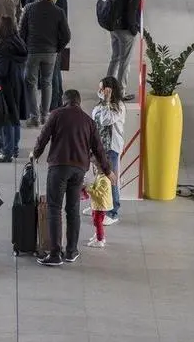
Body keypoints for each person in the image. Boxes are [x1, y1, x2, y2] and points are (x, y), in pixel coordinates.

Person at [31, 89, 114, 266]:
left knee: (54, 209)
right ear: (79, 101)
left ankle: (55, 254)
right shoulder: (88, 121)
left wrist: (35, 154)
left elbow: (43, 137)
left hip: (58, 167)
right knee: (72, 210)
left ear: (64, 101)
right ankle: (71, 251)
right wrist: (108, 171)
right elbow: (99, 149)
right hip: (78, 170)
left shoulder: (56, 115)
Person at [19, 0, 71, 127]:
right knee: (47, 82)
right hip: (50, 53)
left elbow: (21, 31)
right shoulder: (58, 11)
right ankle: (45, 116)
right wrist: (57, 48)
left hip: (32, 52)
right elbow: (66, 35)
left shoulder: (29, 9)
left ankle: (34, 116)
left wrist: (25, 47)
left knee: (30, 83)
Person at [87, 76, 126, 225]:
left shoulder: (118, 107)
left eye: (102, 89)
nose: (100, 91)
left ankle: (113, 212)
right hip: (99, 146)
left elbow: (105, 120)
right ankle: (100, 205)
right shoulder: (102, 104)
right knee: (99, 177)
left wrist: (106, 101)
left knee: (111, 178)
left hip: (111, 148)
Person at [106, 0, 145, 102]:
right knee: (125, 61)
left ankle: (107, 88)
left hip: (114, 29)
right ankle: (120, 92)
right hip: (125, 31)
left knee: (115, 58)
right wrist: (134, 30)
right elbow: (131, 13)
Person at [0, 16, 28, 163]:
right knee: (15, 117)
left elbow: (1, 71)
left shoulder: (4, 47)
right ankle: (14, 148)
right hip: (18, 84)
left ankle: (7, 152)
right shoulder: (19, 42)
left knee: (6, 118)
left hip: (7, 87)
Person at [84, 158, 113, 249]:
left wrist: (88, 189)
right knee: (96, 221)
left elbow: (98, 194)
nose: (96, 168)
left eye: (97, 167)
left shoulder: (104, 180)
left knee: (98, 221)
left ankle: (100, 240)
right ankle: (99, 235)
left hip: (101, 205)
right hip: (97, 204)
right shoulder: (100, 176)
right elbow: (95, 186)